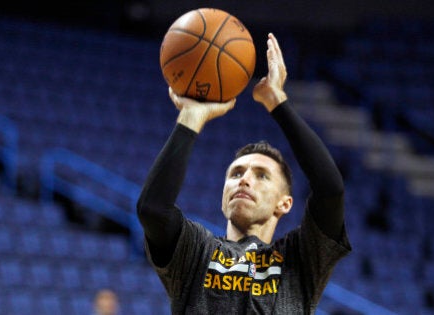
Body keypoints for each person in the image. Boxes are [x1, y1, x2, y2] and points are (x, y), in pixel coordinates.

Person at [136, 33, 351, 314]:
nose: (245, 179)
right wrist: (191, 117)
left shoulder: (300, 259)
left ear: (284, 203)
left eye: (262, 175)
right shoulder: (196, 253)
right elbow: (152, 209)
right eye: (236, 173)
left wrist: (277, 101)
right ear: (223, 196)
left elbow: (330, 190)